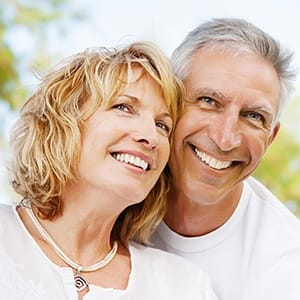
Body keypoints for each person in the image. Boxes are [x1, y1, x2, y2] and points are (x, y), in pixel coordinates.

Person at [0, 42, 218, 299]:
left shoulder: (185, 286)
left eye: (162, 125)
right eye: (124, 107)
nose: (151, 137)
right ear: (64, 121)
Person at [150, 17, 300, 300]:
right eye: (208, 101)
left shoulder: (288, 268)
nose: (225, 139)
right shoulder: (113, 194)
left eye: (254, 116)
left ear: (270, 137)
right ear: (168, 100)